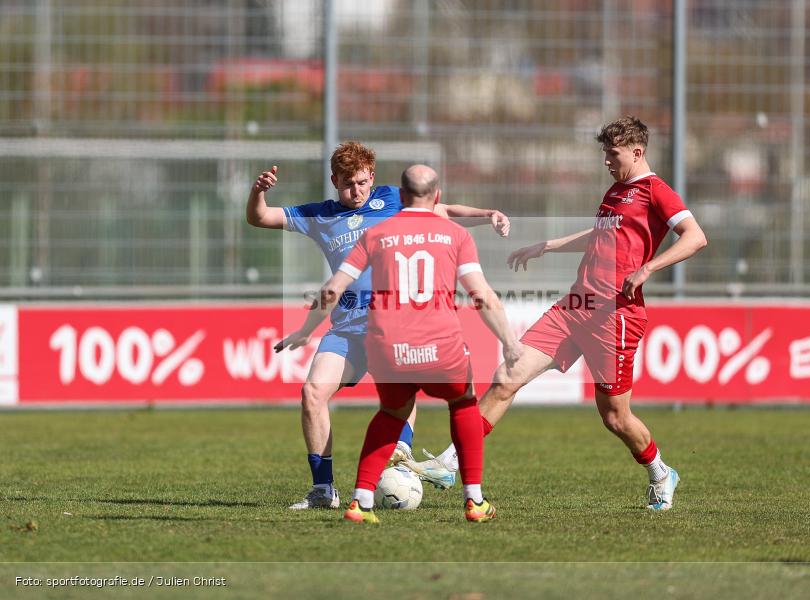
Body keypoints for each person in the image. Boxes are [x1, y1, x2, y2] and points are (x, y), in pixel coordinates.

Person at [412, 116, 707, 510]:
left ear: (637, 152)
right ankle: (450, 463)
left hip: (615, 315)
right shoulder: (616, 192)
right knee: (507, 375)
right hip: (576, 306)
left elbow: (696, 236)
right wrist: (548, 246)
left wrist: (649, 267)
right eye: (604, 152)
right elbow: (601, 236)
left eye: (612, 153)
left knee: (616, 417)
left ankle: (661, 472)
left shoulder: (656, 191)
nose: (606, 160)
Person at [247, 142, 510, 510]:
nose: (356, 191)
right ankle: (323, 490)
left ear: (372, 177)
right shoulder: (319, 215)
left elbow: (443, 210)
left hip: (395, 324)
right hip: (348, 329)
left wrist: (488, 214)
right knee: (312, 394)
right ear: (333, 180)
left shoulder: (392, 198)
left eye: (362, 182)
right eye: (347, 184)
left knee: (405, 394)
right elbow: (260, 218)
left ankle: (398, 463)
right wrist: (257, 192)